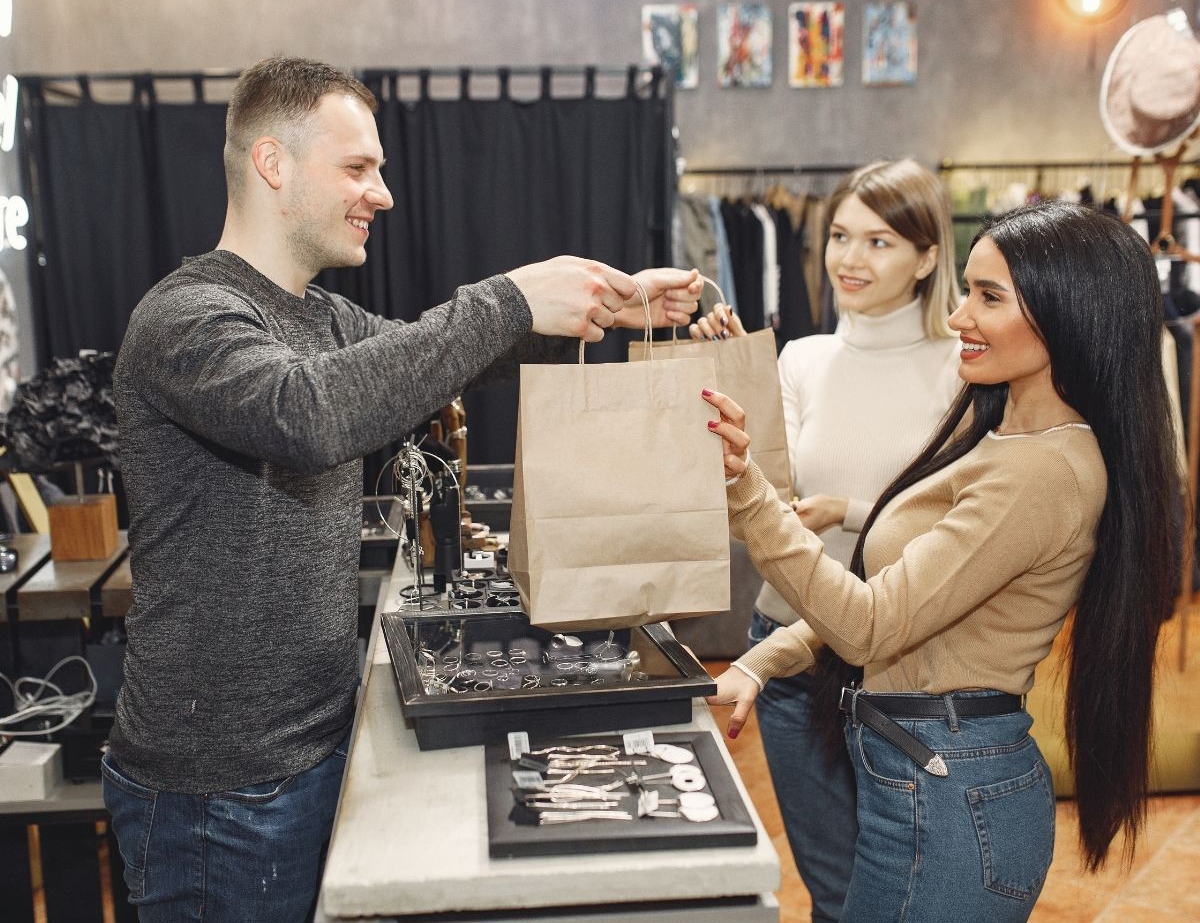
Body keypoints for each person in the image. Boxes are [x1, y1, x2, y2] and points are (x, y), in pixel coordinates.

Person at [102, 55, 700, 923]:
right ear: (272, 164)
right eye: (357, 168)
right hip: (216, 795)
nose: (381, 193)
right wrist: (507, 298)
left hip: (311, 749)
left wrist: (610, 304)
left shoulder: (322, 315)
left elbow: (438, 358)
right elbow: (307, 415)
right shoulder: (186, 319)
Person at [703, 200, 1179, 921]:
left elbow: (870, 625)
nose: (958, 316)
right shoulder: (998, 432)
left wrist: (747, 492)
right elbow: (899, 599)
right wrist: (762, 662)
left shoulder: (1046, 471)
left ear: (1069, 314)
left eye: (988, 297)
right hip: (922, 775)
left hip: (950, 795)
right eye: (967, 290)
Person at [690, 159, 961, 923]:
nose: (850, 258)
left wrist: (849, 510)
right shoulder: (802, 358)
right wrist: (734, 373)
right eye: (841, 236)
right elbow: (761, 504)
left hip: (899, 654)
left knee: (895, 887)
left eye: (880, 242)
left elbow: (958, 520)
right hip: (787, 642)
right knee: (831, 888)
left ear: (928, 257)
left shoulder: (960, 368)